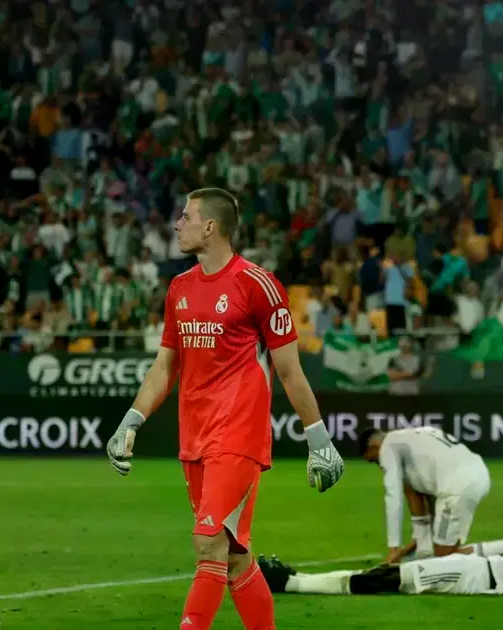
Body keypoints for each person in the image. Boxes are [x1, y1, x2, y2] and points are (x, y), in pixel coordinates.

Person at [105, 187, 345, 630]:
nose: (177, 224)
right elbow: (165, 366)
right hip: (194, 438)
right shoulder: (179, 288)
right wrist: (131, 420)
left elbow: (290, 371)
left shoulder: (258, 285)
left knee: (208, 543)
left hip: (238, 436)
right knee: (234, 557)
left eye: (185, 216)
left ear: (210, 227)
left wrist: (320, 440)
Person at [258, 518, 503, 597]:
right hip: (476, 570)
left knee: (389, 579)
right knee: (390, 574)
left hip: (476, 579)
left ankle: (291, 583)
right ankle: (293, 579)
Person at [358, 426, 503, 564]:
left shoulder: (388, 446)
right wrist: (419, 543)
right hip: (475, 473)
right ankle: (426, 549)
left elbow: (393, 497)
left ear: (374, 447)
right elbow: (418, 491)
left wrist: (393, 548)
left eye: (374, 460)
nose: (379, 466)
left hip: (458, 486)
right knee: (409, 485)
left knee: (443, 558)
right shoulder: (410, 439)